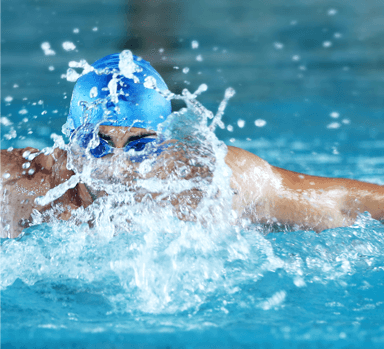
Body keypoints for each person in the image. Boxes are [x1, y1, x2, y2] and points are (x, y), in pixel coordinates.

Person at [1, 52, 383, 239]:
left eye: (140, 145)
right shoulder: (21, 183)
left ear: (165, 142)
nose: (116, 165)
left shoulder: (210, 182)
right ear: (71, 137)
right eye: (98, 143)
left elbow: (344, 202)